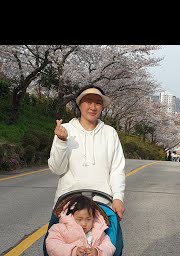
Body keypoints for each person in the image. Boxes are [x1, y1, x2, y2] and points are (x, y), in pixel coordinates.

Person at [48, 85, 126, 220]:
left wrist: (118, 197)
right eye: (88, 101)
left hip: (102, 205)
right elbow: (57, 169)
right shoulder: (65, 130)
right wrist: (61, 141)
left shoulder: (110, 133)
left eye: (98, 102)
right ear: (79, 104)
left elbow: (117, 169)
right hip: (68, 205)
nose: (93, 107)